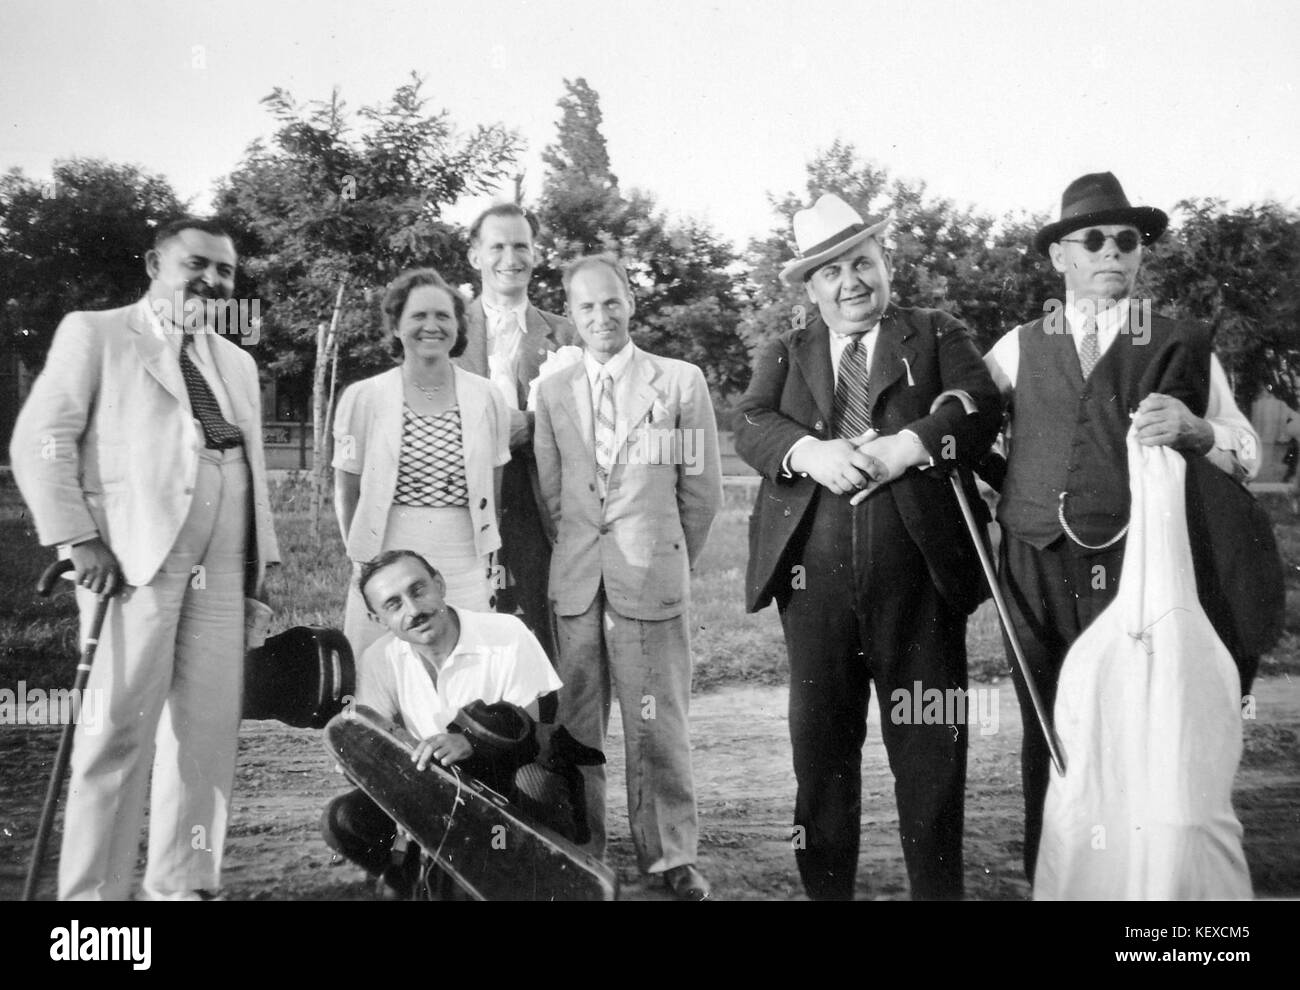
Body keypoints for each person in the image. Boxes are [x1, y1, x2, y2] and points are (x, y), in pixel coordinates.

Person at [982, 171, 1262, 882]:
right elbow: (968, 430)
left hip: (1136, 568)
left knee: (1135, 725)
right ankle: (1057, 881)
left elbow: (1244, 451)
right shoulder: (1017, 346)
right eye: (1096, 239)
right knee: (1048, 726)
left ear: (1141, 256)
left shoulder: (1181, 343)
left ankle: (1132, 888)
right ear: (1060, 258)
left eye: (1129, 241)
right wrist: (1013, 490)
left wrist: (1199, 431)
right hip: (1033, 563)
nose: (1114, 252)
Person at [733, 193, 1002, 901]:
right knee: (820, 758)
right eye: (831, 272)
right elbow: (751, 422)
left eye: (863, 263)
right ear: (810, 288)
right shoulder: (787, 352)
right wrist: (808, 451)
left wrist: (906, 447)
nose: (850, 281)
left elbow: (978, 404)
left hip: (920, 588)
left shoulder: (935, 333)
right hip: (812, 592)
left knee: (930, 754)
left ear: (886, 264)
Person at [9, 217, 280, 900]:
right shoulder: (96, 334)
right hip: (134, 563)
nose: (213, 281)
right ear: (157, 262)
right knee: (117, 733)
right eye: (198, 264)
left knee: (206, 732)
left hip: (222, 563)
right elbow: (41, 440)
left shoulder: (237, 361)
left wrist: (259, 567)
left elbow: (248, 466)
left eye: (225, 272)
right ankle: (94, 900)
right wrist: (77, 538)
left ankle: (183, 885)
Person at [533, 253, 724, 900]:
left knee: (657, 727)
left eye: (611, 302)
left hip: (652, 582)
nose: (600, 316)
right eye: (585, 306)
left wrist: (664, 557)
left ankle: (670, 857)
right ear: (572, 315)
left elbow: (700, 495)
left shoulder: (678, 383)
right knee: (578, 728)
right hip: (580, 584)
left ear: (631, 302)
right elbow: (552, 496)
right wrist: (588, 556)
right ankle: (583, 849)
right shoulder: (553, 391)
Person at [321, 549, 563, 896]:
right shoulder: (379, 659)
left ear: (440, 585)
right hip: (431, 788)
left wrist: (474, 743)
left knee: (539, 787)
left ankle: (537, 878)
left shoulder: (506, 633)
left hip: (503, 779)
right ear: (377, 620)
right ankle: (407, 877)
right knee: (343, 820)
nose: (413, 610)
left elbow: (540, 733)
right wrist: (396, 798)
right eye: (393, 604)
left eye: (418, 590)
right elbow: (373, 752)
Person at [334, 268, 512, 662]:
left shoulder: (487, 398)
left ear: (457, 327)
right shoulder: (364, 397)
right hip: (387, 552)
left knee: (465, 668)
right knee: (380, 668)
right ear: (397, 325)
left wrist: (482, 555)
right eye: (418, 316)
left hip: (462, 555)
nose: (431, 326)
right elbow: (347, 488)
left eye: (443, 316)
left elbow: (493, 490)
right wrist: (364, 563)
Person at [456, 204, 575, 663]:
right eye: (498, 246)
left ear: (535, 253)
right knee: (468, 627)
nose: (511, 257)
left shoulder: (567, 334)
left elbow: (592, 421)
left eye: (521, 246)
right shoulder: (444, 329)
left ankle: (546, 731)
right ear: (475, 256)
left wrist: (529, 426)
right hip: (461, 503)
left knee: (539, 633)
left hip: (536, 504)